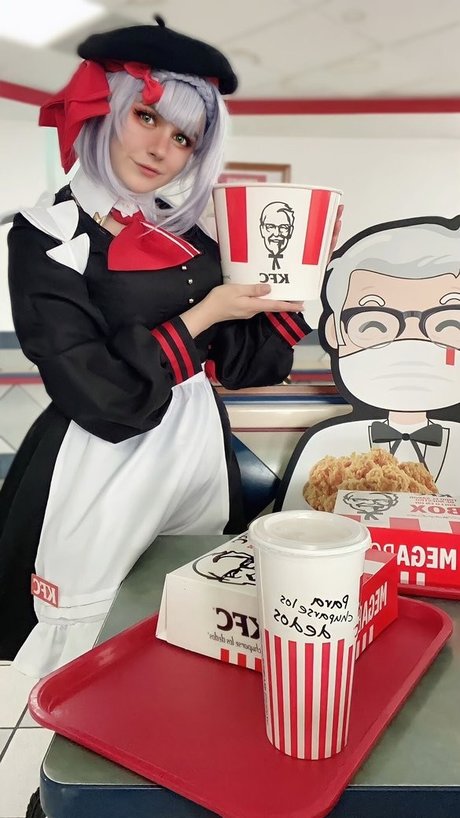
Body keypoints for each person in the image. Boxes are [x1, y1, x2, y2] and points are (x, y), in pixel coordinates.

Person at [0, 17, 342, 678]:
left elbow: (243, 362)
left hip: (193, 445)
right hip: (101, 456)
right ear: (106, 110)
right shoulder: (46, 234)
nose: (162, 148)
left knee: (188, 615)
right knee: (92, 638)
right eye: (148, 117)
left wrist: (291, 281)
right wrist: (206, 312)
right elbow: (97, 394)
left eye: (185, 137)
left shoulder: (190, 237)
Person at [277, 216, 460, 511]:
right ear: (335, 332)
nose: (410, 346)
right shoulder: (327, 442)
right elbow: (293, 520)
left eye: (449, 323)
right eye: (375, 325)